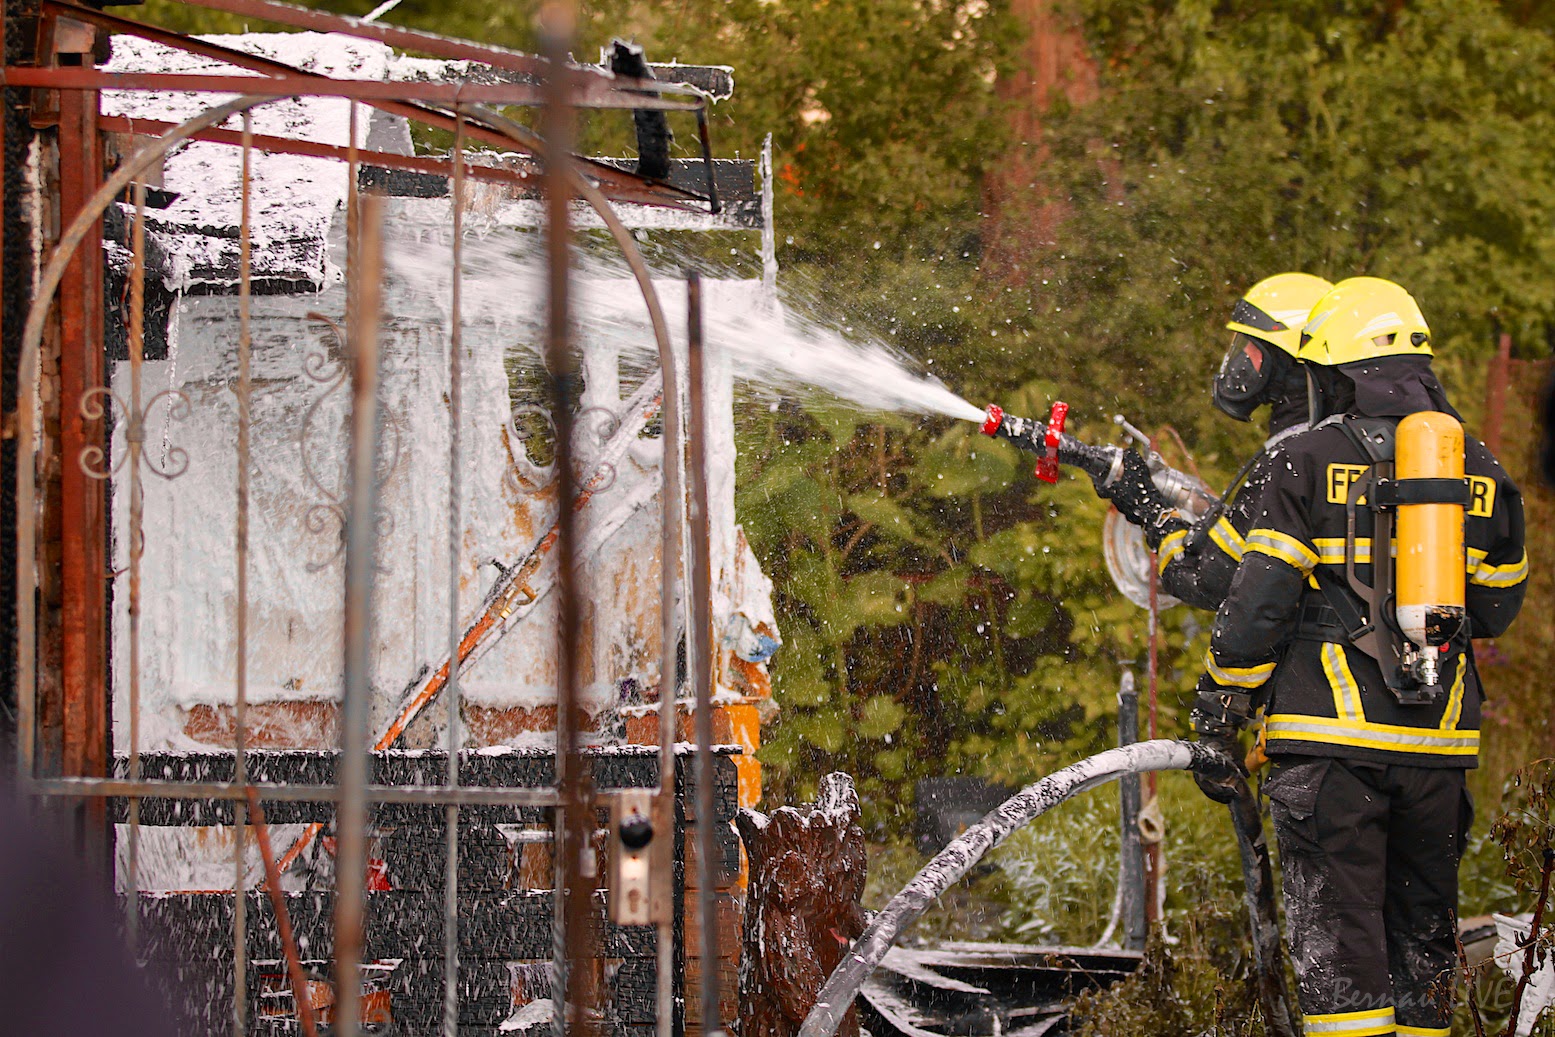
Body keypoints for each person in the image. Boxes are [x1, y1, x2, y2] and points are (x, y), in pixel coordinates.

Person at [1190, 277, 1528, 1037]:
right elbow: (1500, 602)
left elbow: (1257, 604)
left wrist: (1220, 702)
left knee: (1341, 961)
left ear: (1333, 370)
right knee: (1420, 954)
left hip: (1330, 746)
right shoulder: (1475, 464)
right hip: (1437, 751)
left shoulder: (1304, 459)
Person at [1143, 272, 1334, 611]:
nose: (1244, 358)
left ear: (1289, 361)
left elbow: (1210, 582)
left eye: (1254, 347)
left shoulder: (1291, 462)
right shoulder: (1336, 443)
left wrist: (1154, 514)